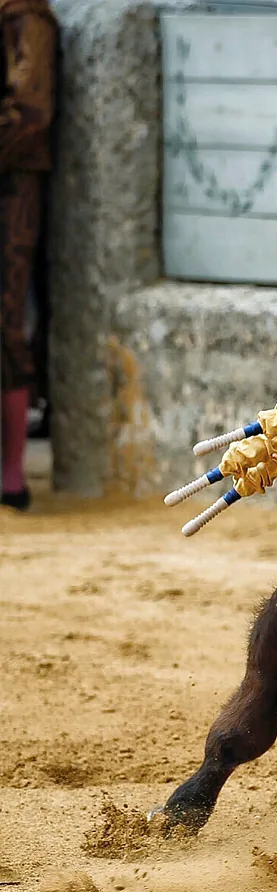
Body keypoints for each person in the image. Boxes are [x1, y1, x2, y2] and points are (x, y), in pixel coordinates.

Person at [1, 0, 56, 512]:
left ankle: (11, 476)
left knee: (4, 320)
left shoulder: (25, 17)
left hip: (9, 190)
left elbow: (29, 112)